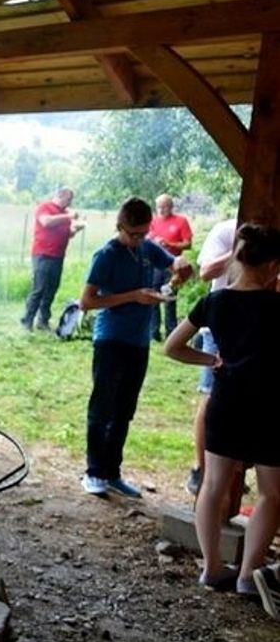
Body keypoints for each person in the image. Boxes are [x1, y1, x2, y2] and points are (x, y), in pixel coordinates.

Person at [163, 222, 280, 613]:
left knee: (212, 486)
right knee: (271, 493)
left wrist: (211, 359)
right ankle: (248, 576)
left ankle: (212, 568)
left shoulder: (215, 302)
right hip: (270, 407)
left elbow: (172, 346)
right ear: (273, 266)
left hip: (226, 401)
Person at [78, 197, 191, 498]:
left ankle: (112, 472)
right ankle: (93, 472)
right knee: (103, 406)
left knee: (125, 409)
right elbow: (86, 301)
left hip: (138, 341)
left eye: (144, 233)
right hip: (111, 338)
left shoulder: (145, 248)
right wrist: (133, 296)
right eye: (134, 234)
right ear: (120, 227)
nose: (139, 239)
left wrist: (180, 267)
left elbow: (172, 262)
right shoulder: (107, 255)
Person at [184, 217, 236, 497]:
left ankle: (231, 472)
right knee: (211, 396)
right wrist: (237, 251)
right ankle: (200, 469)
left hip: (261, 324)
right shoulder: (226, 230)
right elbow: (206, 272)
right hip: (221, 324)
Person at [22, 187, 85, 332]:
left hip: (58, 255)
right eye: (69, 199)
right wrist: (69, 217)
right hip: (43, 254)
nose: (70, 203)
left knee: (52, 288)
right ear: (60, 196)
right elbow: (46, 222)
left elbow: (64, 233)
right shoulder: (45, 208)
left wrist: (75, 230)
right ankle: (28, 320)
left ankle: (43, 321)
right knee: (39, 288)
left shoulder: (63, 213)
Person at [148, 194, 193, 341]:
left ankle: (171, 332)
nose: (161, 209)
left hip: (173, 265)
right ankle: (153, 332)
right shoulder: (153, 222)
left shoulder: (180, 221)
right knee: (153, 296)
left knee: (169, 296)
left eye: (164, 206)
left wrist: (169, 244)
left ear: (171, 206)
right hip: (154, 264)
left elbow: (188, 243)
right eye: (159, 206)